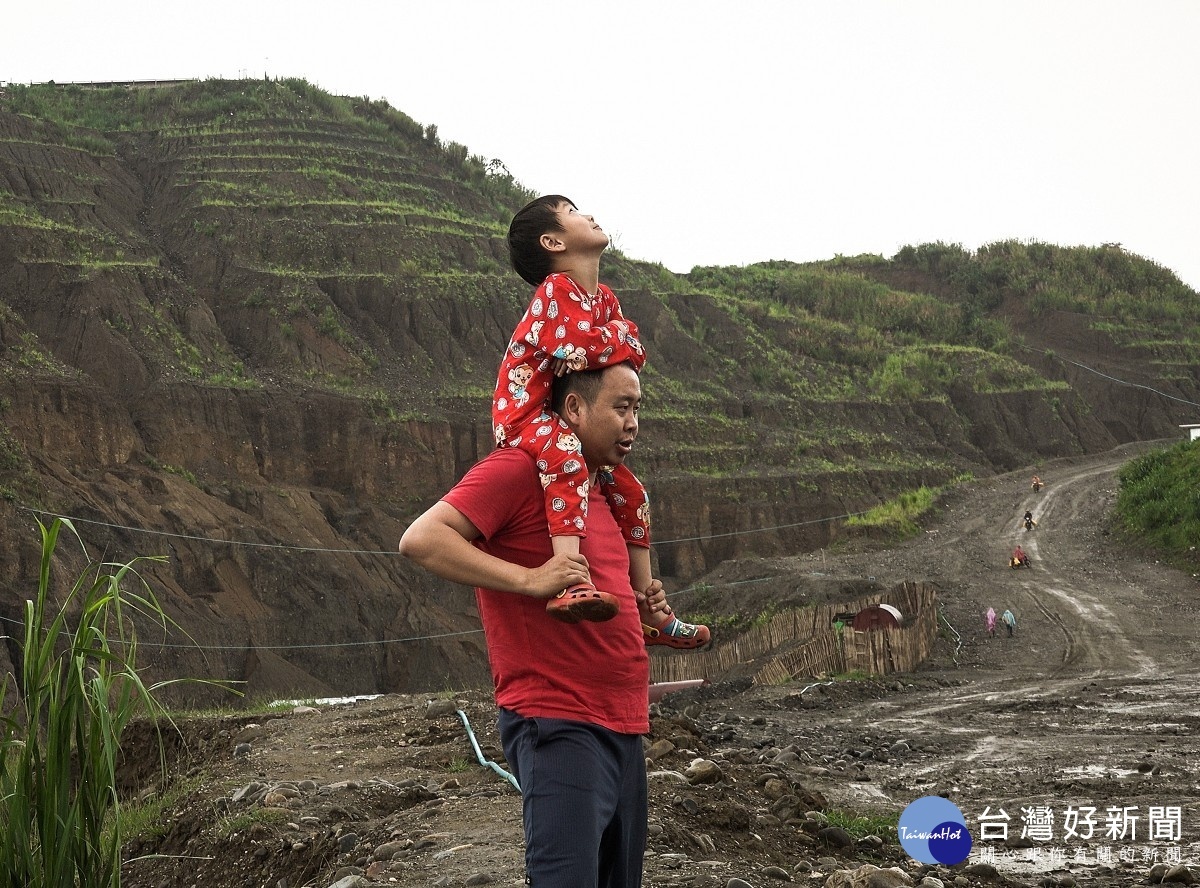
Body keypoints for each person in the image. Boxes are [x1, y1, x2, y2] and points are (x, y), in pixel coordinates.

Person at [400, 362, 655, 887]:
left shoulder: (598, 486)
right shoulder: (519, 470)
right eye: (621, 407)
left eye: (638, 409)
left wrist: (642, 607)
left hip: (625, 727)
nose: (633, 424)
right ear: (575, 408)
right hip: (560, 724)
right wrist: (529, 580)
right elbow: (423, 539)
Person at [494, 193, 708, 649]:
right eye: (572, 213)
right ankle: (568, 581)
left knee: (631, 491)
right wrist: (617, 337)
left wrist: (611, 339)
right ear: (552, 241)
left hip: (563, 416)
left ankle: (649, 606)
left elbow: (631, 355)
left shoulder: (602, 298)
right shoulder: (554, 292)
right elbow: (583, 350)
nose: (587, 215)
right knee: (568, 456)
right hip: (526, 417)